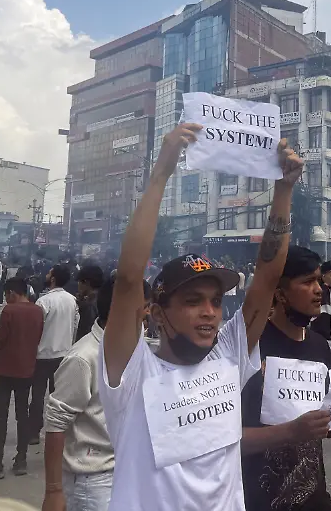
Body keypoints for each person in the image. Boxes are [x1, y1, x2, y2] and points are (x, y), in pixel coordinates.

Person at [98, 123, 303, 511]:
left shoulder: (227, 357)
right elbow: (128, 280)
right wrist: (162, 171)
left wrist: (284, 189)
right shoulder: (131, 373)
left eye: (215, 300)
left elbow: (269, 276)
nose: (210, 312)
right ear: (157, 314)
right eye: (193, 301)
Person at [239, 246, 331, 510]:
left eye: (319, 280)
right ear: (280, 294)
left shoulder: (318, 346)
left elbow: (323, 424)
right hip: (257, 500)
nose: (319, 289)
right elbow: (225, 441)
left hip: (314, 498)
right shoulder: (249, 349)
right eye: (307, 282)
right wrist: (289, 432)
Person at [42, 277, 133, 511]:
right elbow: (56, 423)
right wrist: (53, 491)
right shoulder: (83, 358)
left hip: (123, 470)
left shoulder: (132, 350)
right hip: (91, 483)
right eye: (142, 312)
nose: (148, 319)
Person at [0, 278, 44, 480]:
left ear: (12, 293)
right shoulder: (37, 310)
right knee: (22, 415)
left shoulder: (9, 311)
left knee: (1, 417)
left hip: (5, 371)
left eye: (6, 294)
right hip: (26, 370)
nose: (5, 298)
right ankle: (20, 460)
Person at [29, 264, 80, 445]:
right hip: (64, 355)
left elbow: (35, 329)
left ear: (52, 279)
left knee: (37, 396)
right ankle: (58, 432)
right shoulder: (72, 300)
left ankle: (34, 432)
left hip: (42, 356)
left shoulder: (43, 302)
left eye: (49, 272)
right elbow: (75, 326)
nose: (46, 273)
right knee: (58, 399)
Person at [75, 265, 105, 341]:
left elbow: (84, 332)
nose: (78, 285)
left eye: (79, 282)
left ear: (86, 283)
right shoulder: (103, 299)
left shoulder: (90, 306)